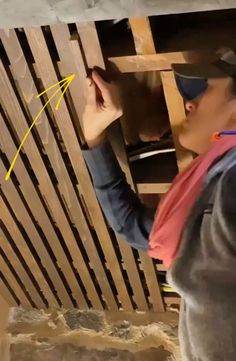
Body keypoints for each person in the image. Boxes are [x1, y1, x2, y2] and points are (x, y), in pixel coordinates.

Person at [82, 48, 236, 361]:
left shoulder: (215, 193)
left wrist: (94, 137)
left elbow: (131, 228)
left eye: (205, 91)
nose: (189, 103)